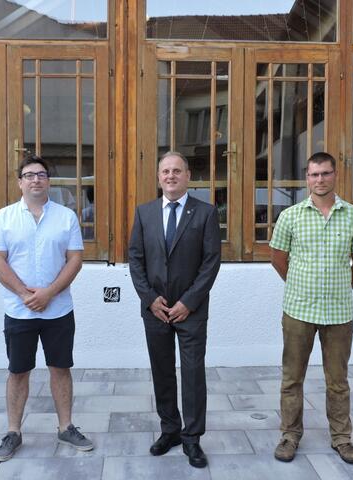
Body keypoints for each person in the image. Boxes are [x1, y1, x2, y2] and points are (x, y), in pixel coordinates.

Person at [269, 152, 353, 465]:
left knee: (338, 380)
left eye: (325, 173)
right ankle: (289, 435)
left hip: (339, 313)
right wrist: (300, 285)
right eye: (314, 175)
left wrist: (339, 287)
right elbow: (277, 257)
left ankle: (342, 438)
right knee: (292, 378)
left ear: (335, 175)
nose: (320, 180)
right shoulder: (291, 216)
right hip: (299, 310)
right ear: (307, 178)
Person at [0, 155, 94, 462]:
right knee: (18, 371)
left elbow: (75, 258)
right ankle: (13, 432)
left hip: (58, 309)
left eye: (42, 175)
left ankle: (66, 426)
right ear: (20, 182)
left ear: (48, 181)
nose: (36, 179)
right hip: (18, 310)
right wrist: (25, 294)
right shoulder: (5, 217)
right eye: (29, 175)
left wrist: (49, 292)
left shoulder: (66, 217)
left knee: (61, 368)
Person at [128, 151, 221, 468]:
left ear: (188, 176)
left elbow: (210, 264)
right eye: (165, 171)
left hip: (190, 311)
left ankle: (192, 439)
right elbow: (135, 260)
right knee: (162, 371)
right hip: (155, 310)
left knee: (193, 374)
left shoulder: (206, 213)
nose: (170, 176)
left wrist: (188, 302)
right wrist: (149, 298)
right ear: (158, 177)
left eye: (176, 171)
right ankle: (169, 430)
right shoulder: (144, 213)